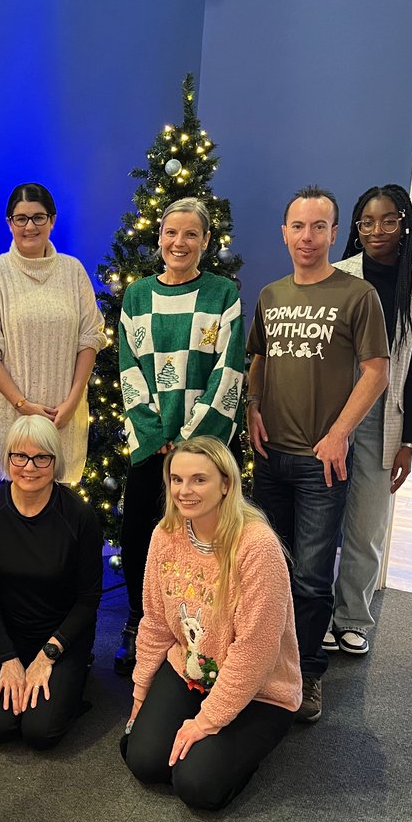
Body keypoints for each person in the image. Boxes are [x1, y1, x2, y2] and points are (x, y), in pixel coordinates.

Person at [246, 186, 389, 723]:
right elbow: (257, 356)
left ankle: (305, 674)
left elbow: (376, 370)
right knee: (269, 571)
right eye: (298, 227)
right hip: (269, 456)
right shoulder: (270, 294)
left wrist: (340, 433)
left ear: (334, 233)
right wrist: (253, 405)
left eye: (319, 227)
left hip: (321, 461)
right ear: (284, 233)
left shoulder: (357, 296)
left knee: (309, 575)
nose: (307, 237)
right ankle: (267, 664)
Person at [122, 437, 301, 811]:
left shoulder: (257, 547)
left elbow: (255, 651)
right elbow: (154, 621)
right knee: (143, 760)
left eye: (199, 480)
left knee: (197, 785)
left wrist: (206, 722)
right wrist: (140, 692)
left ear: (226, 484)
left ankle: (242, 752)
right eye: (176, 479)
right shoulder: (165, 535)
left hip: (259, 688)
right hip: (192, 669)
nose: (184, 491)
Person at [115, 197, 245, 677]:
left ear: (206, 242)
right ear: (160, 237)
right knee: (139, 533)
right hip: (152, 445)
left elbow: (228, 369)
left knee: (205, 536)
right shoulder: (137, 296)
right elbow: (129, 367)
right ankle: (139, 618)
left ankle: (206, 623)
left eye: (192, 234)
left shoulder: (222, 295)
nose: (180, 243)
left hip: (202, 448)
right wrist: (156, 433)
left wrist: (191, 441)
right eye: (172, 233)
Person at [325, 184, 412, 656]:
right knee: (319, 519)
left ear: (403, 224)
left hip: (384, 421)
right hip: (330, 413)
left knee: (368, 526)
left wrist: (409, 441)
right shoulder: (337, 276)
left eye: (388, 220)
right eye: (366, 221)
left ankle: (351, 617)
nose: (376, 230)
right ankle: (307, 611)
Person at [0, 415, 102, 751]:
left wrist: (48, 656)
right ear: (8, 458)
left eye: (42, 457)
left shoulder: (79, 515)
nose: (30, 467)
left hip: (63, 633)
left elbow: (88, 600)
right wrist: (7, 656)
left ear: (55, 462)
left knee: (39, 732)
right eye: (20, 456)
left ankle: (77, 673)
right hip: (12, 630)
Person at [0, 182, 106, 484]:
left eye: (39, 217)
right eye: (21, 218)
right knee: (13, 517)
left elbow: (90, 337)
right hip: (11, 419)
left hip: (63, 419)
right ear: (9, 223)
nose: (30, 226)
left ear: (52, 220)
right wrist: (22, 405)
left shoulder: (73, 271)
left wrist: (72, 401)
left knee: (59, 519)